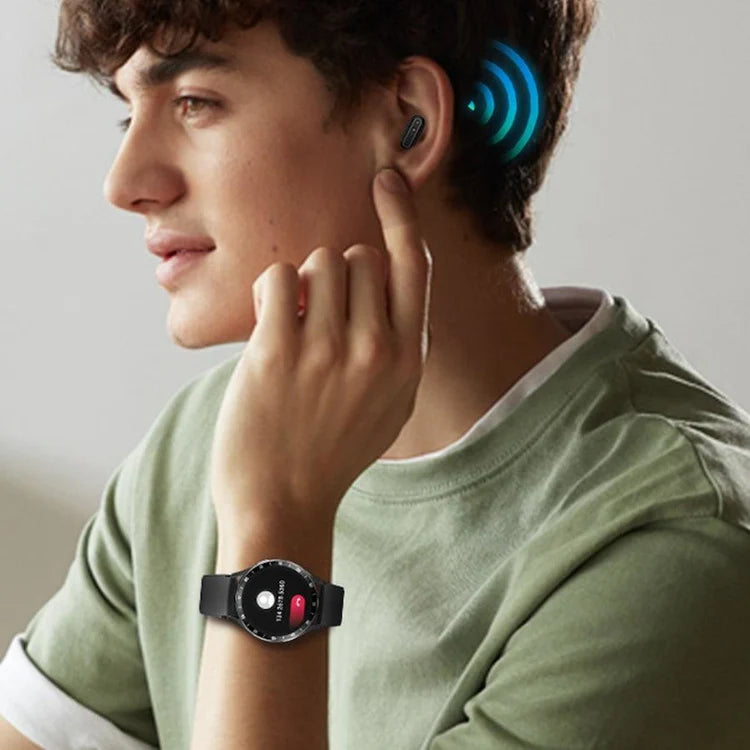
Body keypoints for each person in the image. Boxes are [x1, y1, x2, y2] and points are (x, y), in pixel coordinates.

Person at [3, 2, 750, 749]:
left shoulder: (669, 545)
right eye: (127, 112)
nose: (125, 182)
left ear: (407, 123)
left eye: (195, 103)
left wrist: (275, 525)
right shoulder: (208, 437)